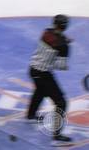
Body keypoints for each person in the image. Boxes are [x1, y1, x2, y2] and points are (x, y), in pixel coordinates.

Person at [27, 14, 72, 146]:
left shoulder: (46, 32)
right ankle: (56, 136)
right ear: (65, 26)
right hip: (43, 73)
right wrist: (65, 50)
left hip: (32, 69)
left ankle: (30, 115)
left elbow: (54, 40)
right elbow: (61, 66)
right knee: (61, 102)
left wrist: (63, 42)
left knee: (40, 91)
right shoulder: (63, 45)